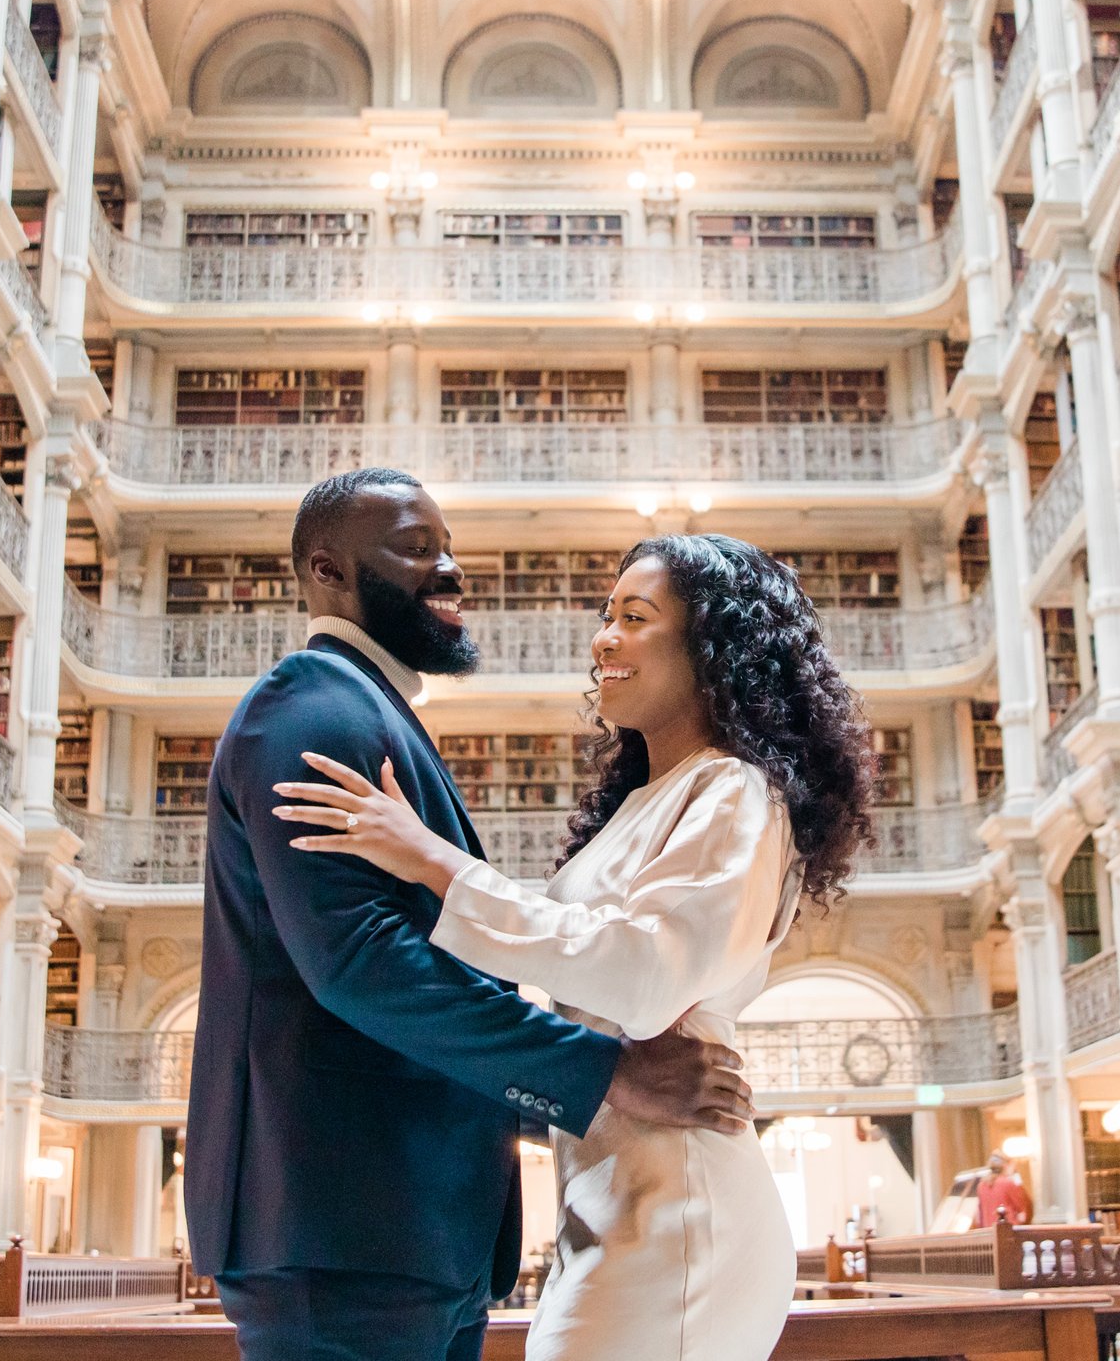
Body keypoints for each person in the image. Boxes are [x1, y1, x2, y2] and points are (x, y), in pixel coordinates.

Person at [185, 469, 756, 1361]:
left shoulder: (371, 714)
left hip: (409, 1235)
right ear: (328, 571)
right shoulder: (310, 710)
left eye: (448, 548)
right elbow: (361, 961)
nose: (449, 569)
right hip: (338, 1230)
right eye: (416, 549)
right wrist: (604, 1075)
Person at [273, 532, 881, 1361]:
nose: (603, 638)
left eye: (635, 617)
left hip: (681, 1206)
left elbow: (643, 975)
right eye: (605, 615)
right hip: (612, 1195)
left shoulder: (735, 789)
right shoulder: (647, 801)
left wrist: (431, 861)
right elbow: (585, 956)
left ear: (713, 647)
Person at [976, 1150, 1034, 1227]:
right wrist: (1016, 1176)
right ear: (1006, 1165)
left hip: (989, 1231)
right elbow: (1024, 1209)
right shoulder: (1008, 1183)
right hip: (1008, 1230)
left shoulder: (981, 1185)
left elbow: (979, 1217)